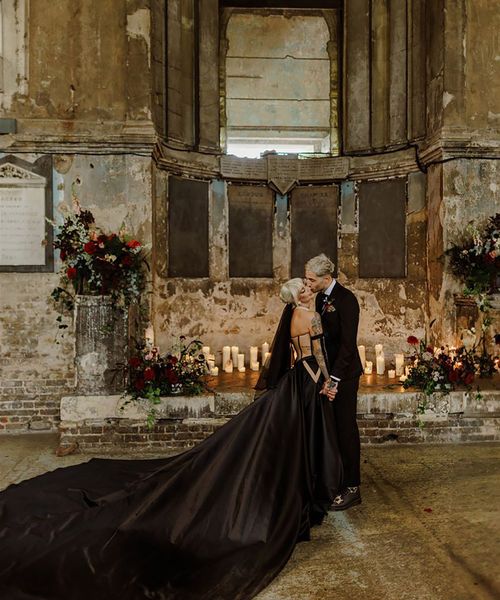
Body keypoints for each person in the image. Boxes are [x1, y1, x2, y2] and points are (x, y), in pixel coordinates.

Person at [0, 278, 342, 600]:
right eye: (306, 288)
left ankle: (301, 490)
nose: (309, 290)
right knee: (293, 441)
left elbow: (295, 356)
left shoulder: (292, 316)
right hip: (309, 382)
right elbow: (319, 355)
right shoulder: (308, 316)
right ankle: (302, 493)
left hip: (294, 380)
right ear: (300, 296)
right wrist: (328, 382)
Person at [305, 254, 364, 511]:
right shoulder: (321, 297)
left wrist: (336, 380)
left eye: (311, 279)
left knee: (345, 428)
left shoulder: (347, 300)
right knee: (331, 428)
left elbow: (348, 345)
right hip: (328, 373)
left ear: (326, 278)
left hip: (346, 375)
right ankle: (334, 479)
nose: (307, 283)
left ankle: (352, 487)